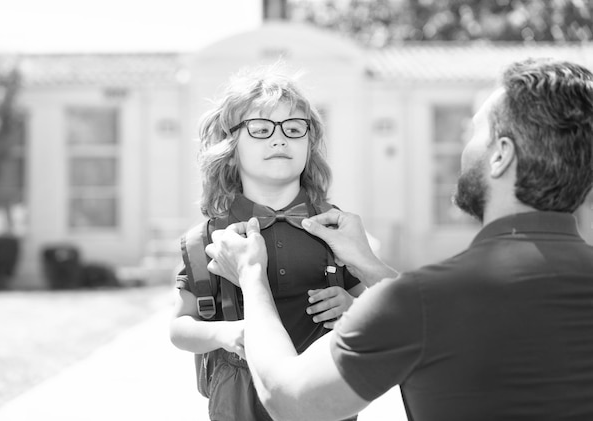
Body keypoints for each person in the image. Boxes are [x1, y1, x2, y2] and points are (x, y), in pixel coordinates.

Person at [205, 57, 593, 421]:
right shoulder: (422, 301)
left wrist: (252, 274)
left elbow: (291, 400)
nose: (463, 142)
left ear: (500, 156)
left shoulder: (422, 300)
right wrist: (372, 268)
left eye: (474, 130)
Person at [169, 63, 366, 421]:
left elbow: (377, 306)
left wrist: (352, 305)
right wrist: (227, 333)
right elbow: (180, 329)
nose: (279, 139)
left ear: (310, 144)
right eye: (260, 129)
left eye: (294, 128)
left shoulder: (335, 227)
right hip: (239, 399)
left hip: (322, 391)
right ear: (231, 147)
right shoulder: (211, 237)